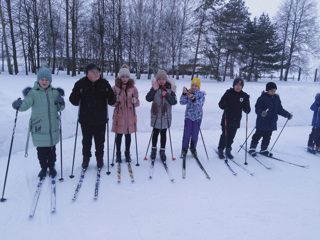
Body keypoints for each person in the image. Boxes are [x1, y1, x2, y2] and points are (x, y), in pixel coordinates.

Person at [12, 68, 65, 179]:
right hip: (39, 127)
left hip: (52, 128)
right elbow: (25, 105)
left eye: (46, 79)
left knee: (52, 151)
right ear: (38, 80)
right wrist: (18, 105)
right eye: (42, 79)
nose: (44, 81)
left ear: (50, 80)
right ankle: (43, 168)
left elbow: (60, 108)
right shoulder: (33, 93)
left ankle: (51, 167)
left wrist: (61, 102)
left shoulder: (55, 92)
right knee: (41, 152)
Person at [69, 63, 116, 169]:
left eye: (98, 72)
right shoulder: (80, 84)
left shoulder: (104, 84)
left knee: (100, 140)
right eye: (93, 72)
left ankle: (100, 157)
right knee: (86, 140)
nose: (96, 74)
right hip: (85, 118)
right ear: (87, 73)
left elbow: (112, 100)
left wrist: (109, 94)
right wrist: (78, 95)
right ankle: (86, 156)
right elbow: (73, 100)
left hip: (101, 118)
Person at [248, 82, 292, 157]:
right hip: (262, 121)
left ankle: (264, 149)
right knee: (257, 135)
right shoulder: (261, 98)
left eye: (274, 90)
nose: (273, 92)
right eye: (272, 90)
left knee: (267, 136)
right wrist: (262, 112)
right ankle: (252, 148)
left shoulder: (276, 98)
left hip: (271, 122)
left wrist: (287, 114)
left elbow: (279, 109)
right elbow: (257, 109)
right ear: (267, 90)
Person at [146, 69, 177, 161]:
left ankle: (162, 151)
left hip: (165, 116)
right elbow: (148, 98)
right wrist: (153, 90)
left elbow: (174, 102)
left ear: (166, 79)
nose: (161, 81)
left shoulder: (170, 88)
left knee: (163, 134)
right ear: (157, 80)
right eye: (159, 79)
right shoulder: (154, 87)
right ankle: (153, 150)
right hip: (156, 116)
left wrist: (167, 95)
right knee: (155, 134)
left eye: (163, 79)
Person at [111, 65, 140, 163]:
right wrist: (115, 100)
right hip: (119, 115)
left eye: (127, 77)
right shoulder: (115, 88)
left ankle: (127, 153)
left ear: (129, 78)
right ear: (120, 77)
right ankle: (118, 154)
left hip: (130, 116)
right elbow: (111, 103)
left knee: (128, 136)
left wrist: (134, 100)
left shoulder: (133, 88)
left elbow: (137, 103)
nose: (125, 79)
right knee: (118, 136)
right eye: (123, 77)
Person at [217, 77, 251, 159]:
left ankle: (228, 149)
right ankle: (221, 149)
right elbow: (220, 103)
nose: (238, 87)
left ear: (242, 86)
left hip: (236, 119)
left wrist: (247, 108)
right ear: (233, 85)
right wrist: (224, 105)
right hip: (226, 118)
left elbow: (247, 109)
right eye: (236, 85)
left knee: (231, 136)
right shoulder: (228, 93)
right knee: (225, 135)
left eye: (240, 85)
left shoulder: (244, 96)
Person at [180, 77, 206, 157]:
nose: (194, 87)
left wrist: (193, 99)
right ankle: (184, 148)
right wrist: (184, 94)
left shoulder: (201, 95)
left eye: (196, 86)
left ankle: (193, 147)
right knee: (187, 133)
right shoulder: (188, 93)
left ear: (199, 87)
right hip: (189, 117)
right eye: (193, 85)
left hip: (197, 117)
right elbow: (182, 102)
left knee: (195, 133)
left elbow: (200, 105)